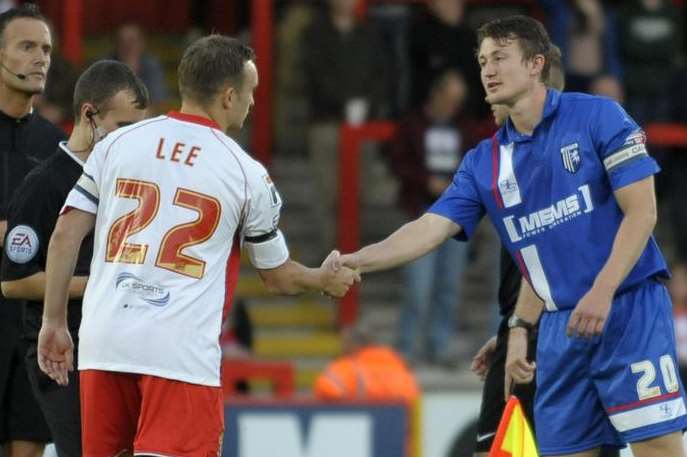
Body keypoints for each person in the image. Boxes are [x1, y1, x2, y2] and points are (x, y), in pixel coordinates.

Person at [330, 15, 687, 457]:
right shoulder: (485, 162)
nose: (488, 70)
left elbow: (643, 212)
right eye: (482, 61)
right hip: (560, 328)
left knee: (659, 448)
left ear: (536, 64)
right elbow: (428, 228)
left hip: (627, 308)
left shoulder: (598, 115)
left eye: (500, 57)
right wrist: (357, 260)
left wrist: (603, 290)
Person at [37, 35, 359, 457]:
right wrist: (322, 279)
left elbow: (65, 234)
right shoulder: (246, 173)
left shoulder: (117, 143)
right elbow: (277, 277)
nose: (253, 103)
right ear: (229, 96)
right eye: (250, 93)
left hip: (104, 343)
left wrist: (54, 322)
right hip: (179, 355)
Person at [470, 46, 619, 457]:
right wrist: (507, 327)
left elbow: (556, 260)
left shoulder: (543, 163)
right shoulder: (508, 161)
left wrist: (520, 326)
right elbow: (539, 265)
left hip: (542, 341)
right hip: (530, 330)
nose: (491, 89)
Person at [1, 60, 148, 457]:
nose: (131, 141)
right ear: (89, 115)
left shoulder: (130, 185)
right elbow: (14, 280)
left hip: (116, 343)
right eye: (123, 128)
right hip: (59, 349)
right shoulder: (45, 184)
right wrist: (101, 283)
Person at [0, 4, 65, 457]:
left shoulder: (56, 145)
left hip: (31, 327)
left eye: (45, 49)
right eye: (26, 47)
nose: (40, 58)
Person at [386, 69, 473, 364]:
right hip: (420, 211)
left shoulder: (464, 127)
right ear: (435, 94)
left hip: (455, 215)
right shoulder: (412, 125)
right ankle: (407, 348)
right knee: (418, 286)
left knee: (449, 285)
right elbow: (398, 163)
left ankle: (440, 344)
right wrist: (426, 181)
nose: (452, 106)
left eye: (457, 101)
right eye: (449, 99)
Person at [314, 320, 419, 403]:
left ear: (354, 344)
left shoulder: (346, 367)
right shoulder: (400, 367)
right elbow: (413, 397)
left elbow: (325, 388)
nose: (342, 347)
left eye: (345, 342)